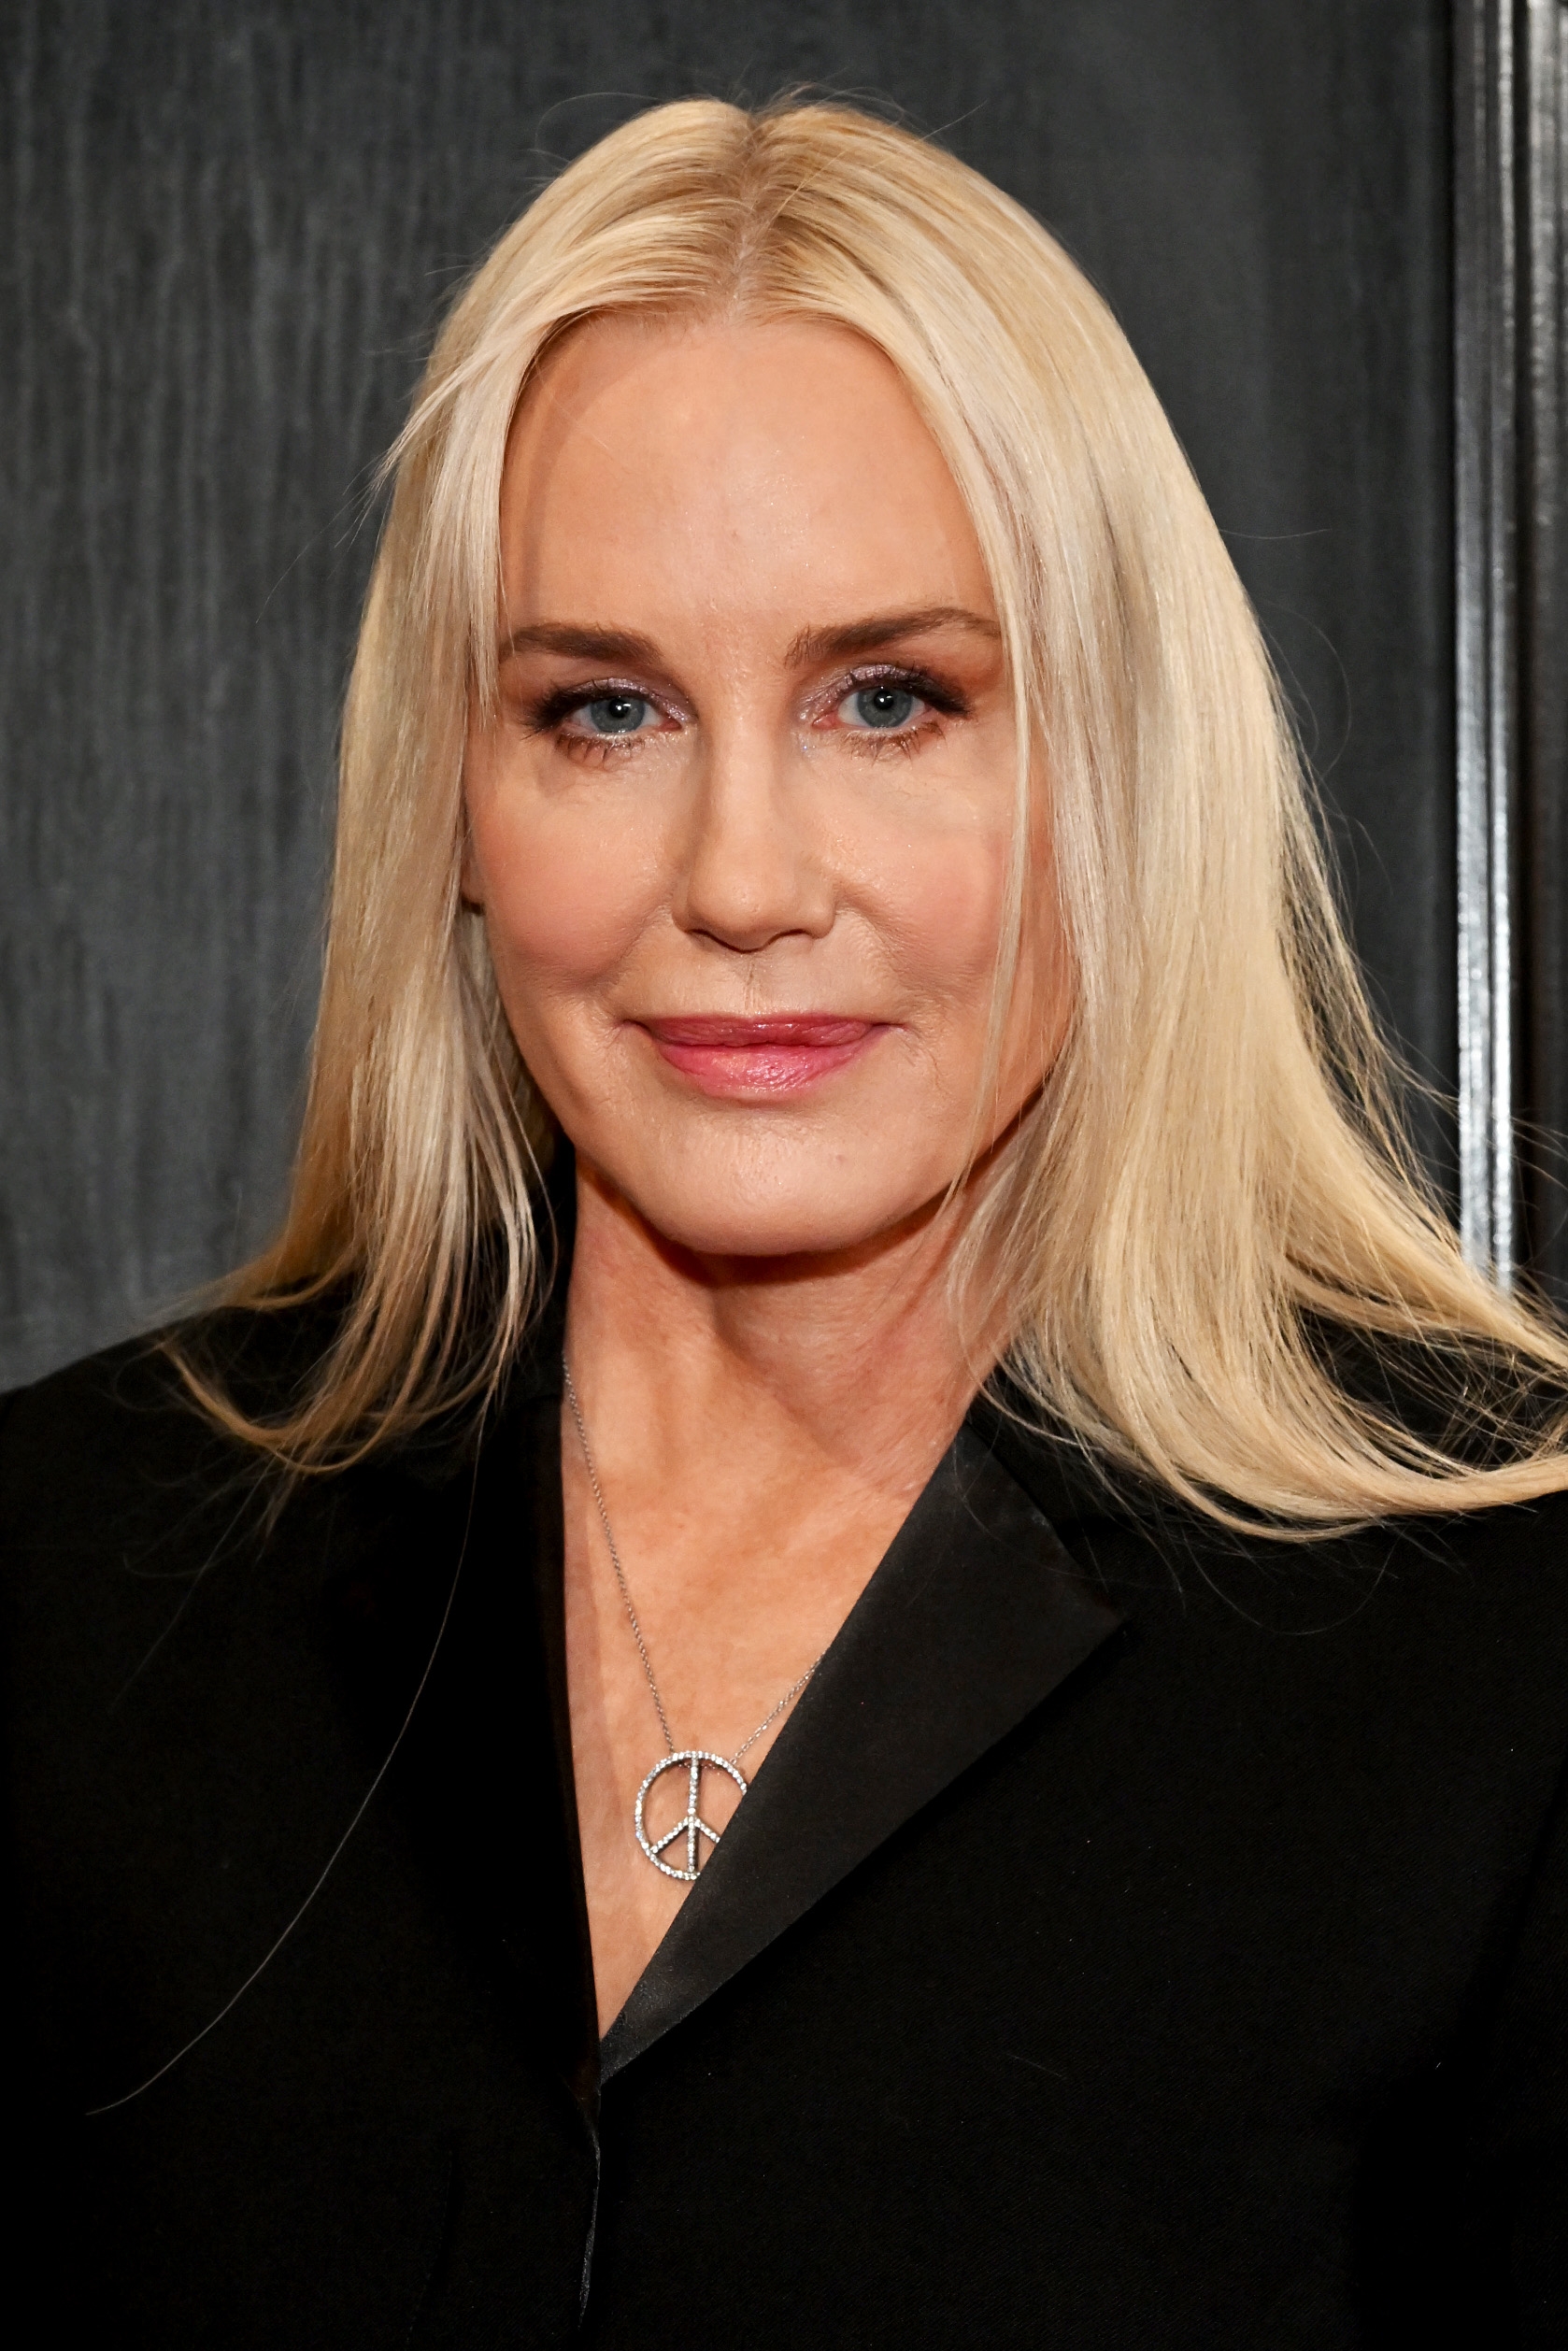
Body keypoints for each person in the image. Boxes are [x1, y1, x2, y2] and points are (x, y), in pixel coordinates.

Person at [6, 96, 1567, 2348]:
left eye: (888, 700)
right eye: (604, 710)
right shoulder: (64, 1583)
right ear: (456, 802)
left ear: (1120, 765)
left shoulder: (1499, 1647)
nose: (740, 878)